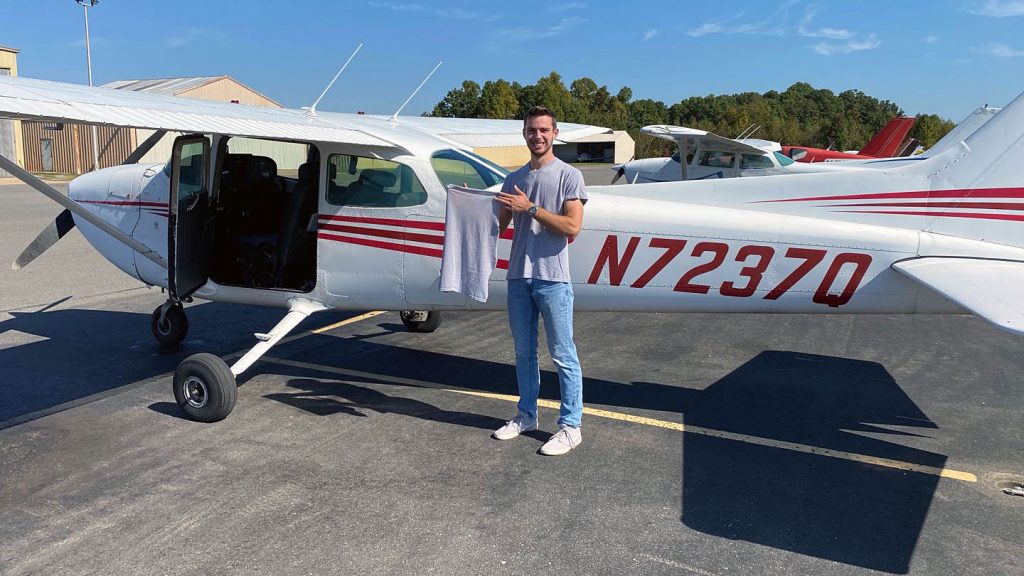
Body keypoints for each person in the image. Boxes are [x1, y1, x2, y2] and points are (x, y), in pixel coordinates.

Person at [492, 106, 587, 456]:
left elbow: (572, 226)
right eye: (532, 130)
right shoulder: (512, 178)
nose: (538, 136)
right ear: (524, 134)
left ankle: (570, 425)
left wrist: (530, 208)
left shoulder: (568, 175)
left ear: (555, 133)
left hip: (553, 280)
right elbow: (498, 227)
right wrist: (488, 206)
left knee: (563, 354)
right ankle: (526, 415)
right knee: (523, 353)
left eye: (544, 130)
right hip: (519, 277)